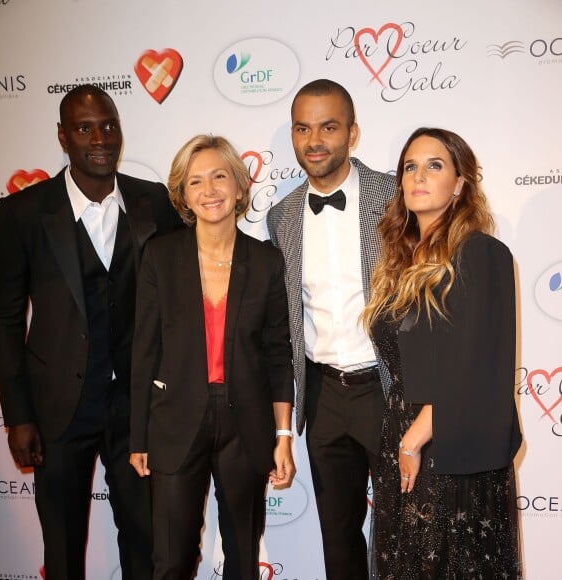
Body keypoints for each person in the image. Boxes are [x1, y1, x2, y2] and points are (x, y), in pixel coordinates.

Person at [0, 84, 183, 580]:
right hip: (57, 411)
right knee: (63, 545)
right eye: (84, 128)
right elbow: (7, 320)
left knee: (146, 540)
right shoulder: (23, 214)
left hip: (135, 409)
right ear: (62, 136)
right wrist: (19, 416)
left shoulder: (153, 201)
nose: (100, 138)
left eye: (109, 125)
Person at [129, 134, 295, 580]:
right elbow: (144, 350)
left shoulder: (265, 262)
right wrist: (138, 437)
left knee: (243, 558)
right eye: (195, 182)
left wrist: (283, 435)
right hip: (175, 420)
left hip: (247, 424)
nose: (209, 190)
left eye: (219, 176)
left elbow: (279, 355)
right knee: (171, 559)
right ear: (183, 196)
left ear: (239, 186)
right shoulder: (160, 257)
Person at [362, 127, 522, 578]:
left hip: (449, 441)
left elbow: (472, 362)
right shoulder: (398, 261)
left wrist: (414, 439)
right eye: (410, 167)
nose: (419, 176)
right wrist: (403, 439)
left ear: (460, 184)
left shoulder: (481, 253)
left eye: (435, 165)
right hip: (403, 430)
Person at [266, 79, 396, 580]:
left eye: (328, 126)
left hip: (386, 389)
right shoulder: (283, 216)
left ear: (352, 133)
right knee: (337, 534)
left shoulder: (394, 197)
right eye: (303, 128)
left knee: (402, 527)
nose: (314, 140)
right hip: (321, 396)